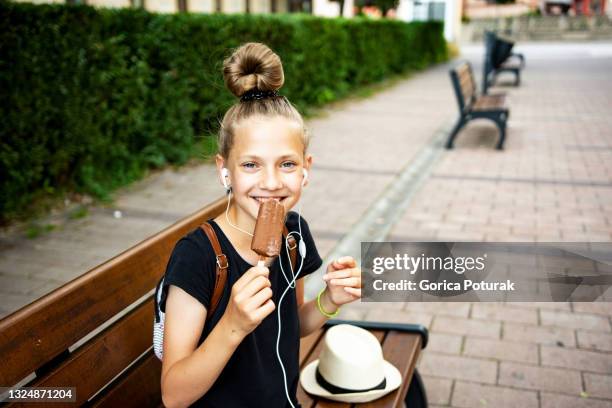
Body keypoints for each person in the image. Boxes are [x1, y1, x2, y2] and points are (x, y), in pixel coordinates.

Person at [159, 42, 362, 408]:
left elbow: (294, 324)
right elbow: (173, 394)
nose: (271, 182)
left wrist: (331, 299)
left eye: (286, 164)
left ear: (306, 169)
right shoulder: (198, 256)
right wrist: (233, 325)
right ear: (225, 170)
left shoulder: (293, 234)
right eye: (251, 165)